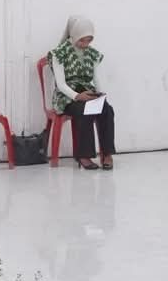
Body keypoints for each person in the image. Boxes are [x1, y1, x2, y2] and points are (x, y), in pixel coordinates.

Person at [49, 17, 118, 169]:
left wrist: (100, 94)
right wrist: (77, 96)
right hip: (66, 96)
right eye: (82, 40)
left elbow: (96, 78)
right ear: (74, 35)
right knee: (84, 110)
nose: (85, 44)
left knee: (107, 109)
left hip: (86, 92)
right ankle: (84, 156)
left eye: (89, 40)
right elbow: (60, 84)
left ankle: (107, 154)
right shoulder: (59, 53)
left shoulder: (91, 53)